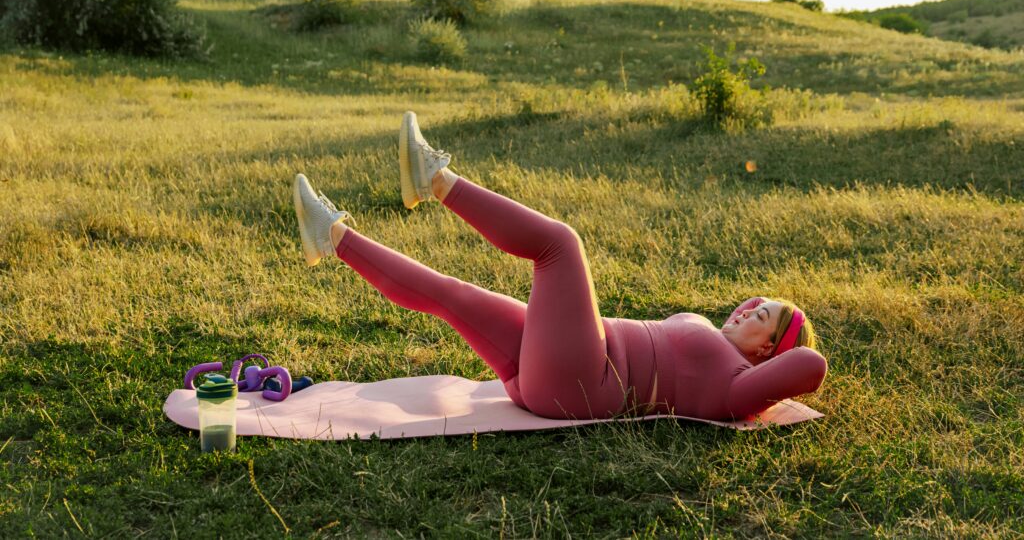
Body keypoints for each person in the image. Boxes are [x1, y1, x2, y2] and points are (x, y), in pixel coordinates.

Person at [293, 111, 828, 421]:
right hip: (558, 369)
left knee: (559, 246)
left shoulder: (735, 388)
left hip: (582, 381)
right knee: (452, 294)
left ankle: (436, 181)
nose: (749, 307)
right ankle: (333, 237)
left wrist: (789, 349)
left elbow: (812, 367)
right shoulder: (718, 347)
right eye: (755, 302)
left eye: (765, 315)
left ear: (768, 349)